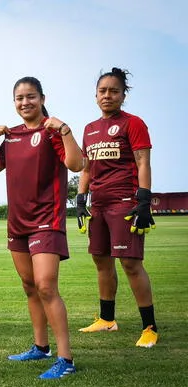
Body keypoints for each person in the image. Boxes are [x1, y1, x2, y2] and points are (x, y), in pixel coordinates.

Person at [0, 76, 84, 379]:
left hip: (46, 220)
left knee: (45, 286)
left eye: (30, 97)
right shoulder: (11, 135)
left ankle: (66, 359)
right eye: (19, 98)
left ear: (42, 98)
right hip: (18, 221)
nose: (24, 103)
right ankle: (41, 347)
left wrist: (65, 130)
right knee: (29, 286)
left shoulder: (53, 131)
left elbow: (77, 165)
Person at [76, 67, 158, 348]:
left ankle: (149, 327)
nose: (107, 95)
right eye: (102, 91)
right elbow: (86, 168)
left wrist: (144, 199)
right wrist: (80, 199)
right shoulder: (89, 129)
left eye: (113, 91)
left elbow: (143, 162)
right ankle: (107, 320)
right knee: (101, 261)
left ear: (124, 95)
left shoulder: (133, 123)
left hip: (125, 202)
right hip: (98, 204)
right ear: (95, 95)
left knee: (131, 264)